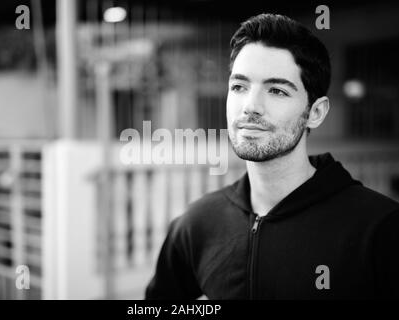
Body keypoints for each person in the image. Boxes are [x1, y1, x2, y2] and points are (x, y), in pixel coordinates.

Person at [145, 13, 399, 299]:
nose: (250, 106)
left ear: (315, 113)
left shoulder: (380, 228)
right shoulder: (198, 223)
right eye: (239, 86)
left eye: (277, 90)